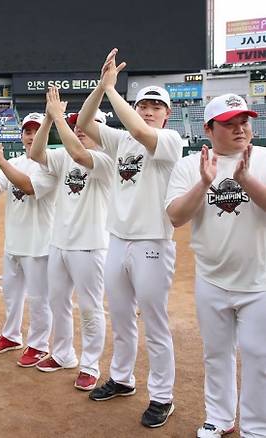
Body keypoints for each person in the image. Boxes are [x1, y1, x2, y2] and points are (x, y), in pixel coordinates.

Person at [77, 48, 182, 428]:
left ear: (167, 114)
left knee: (154, 322)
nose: (149, 110)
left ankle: (163, 396)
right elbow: (86, 124)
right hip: (118, 239)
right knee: (121, 317)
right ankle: (122, 379)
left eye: (157, 106)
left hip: (153, 241)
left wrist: (112, 92)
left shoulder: (170, 141)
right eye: (144, 104)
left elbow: (139, 130)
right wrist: (100, 87)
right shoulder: (121, 142)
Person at [166, 94, 266, 438]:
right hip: (211, 278)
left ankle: (256, 428)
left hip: (259, 281)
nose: (240, 129)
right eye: (229, 123)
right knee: (216, 354)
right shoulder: (189, 165)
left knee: (259, 359)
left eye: (244, 121)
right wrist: (205, 182)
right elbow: (176, 217)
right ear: (209, 128)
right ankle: (220, 418)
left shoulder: (264, 159)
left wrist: (246, 180)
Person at [30, 87, 112, 390]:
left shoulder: (105, 160)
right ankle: (63, 353)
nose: (79, 131)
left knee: (90, 306)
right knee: (59, 302)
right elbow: (35, 154)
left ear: (100, 130)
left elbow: (79, 153)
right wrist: (50, 121)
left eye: (85, 127)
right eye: (76, 127)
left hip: (90, 245)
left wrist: (58, 117)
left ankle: (90, 363)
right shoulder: (64, 156)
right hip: (60, 243)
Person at [0, 112, 57, 367]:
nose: (31, 135)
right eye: (27, 131)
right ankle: (11, 335)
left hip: (39, 243)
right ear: (22, 135)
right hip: (14, 241)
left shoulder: (50, 164)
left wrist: (1, 161)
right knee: (12, 296)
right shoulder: (14, 162)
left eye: (36, 131)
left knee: (39, 298)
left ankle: (38, 345)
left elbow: (28, 187)